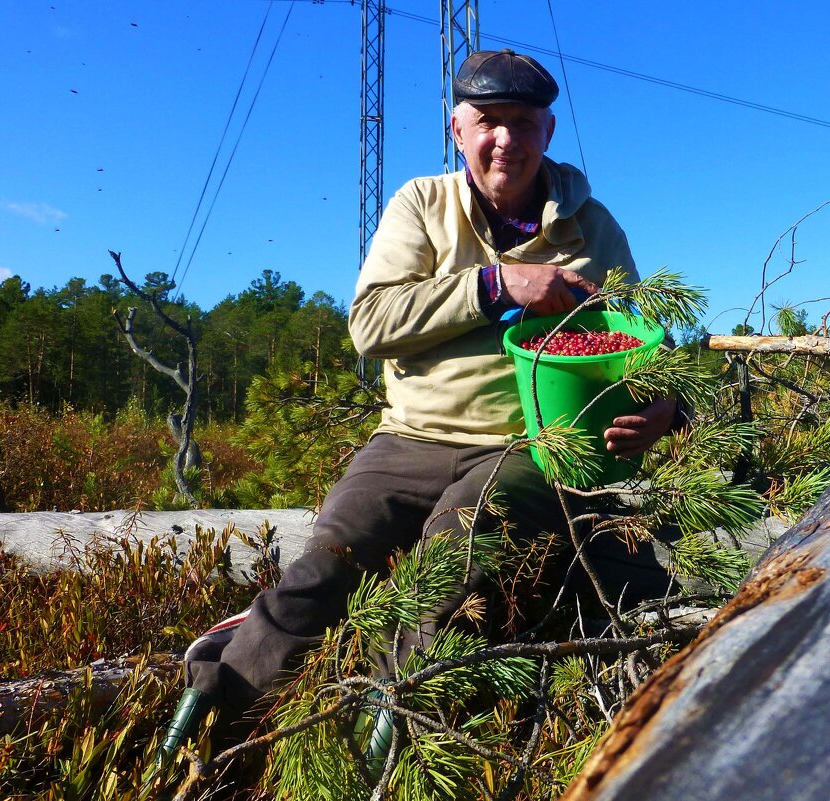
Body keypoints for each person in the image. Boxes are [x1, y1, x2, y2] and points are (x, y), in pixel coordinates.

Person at [157, 49, 680, 761]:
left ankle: (394, 748)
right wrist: (498, 286)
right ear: (457, 130)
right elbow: (370, 323)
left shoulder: (593, 228)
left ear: (547, 131)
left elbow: (642, 339)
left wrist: (665, 407)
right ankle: (215, 741)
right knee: (322, 569)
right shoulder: (420, 204)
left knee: (456, 557)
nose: (505, 140)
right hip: (409, 439)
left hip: (527, 447)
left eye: (521, 123)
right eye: (487, 122)